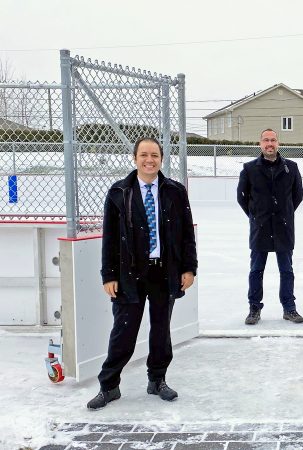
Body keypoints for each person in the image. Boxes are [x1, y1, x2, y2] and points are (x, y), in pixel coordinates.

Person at [87, 137, 197, 410]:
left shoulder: (175, 191)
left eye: (155, 155)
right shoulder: (119, 192)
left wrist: (189, 267)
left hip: (164, 272)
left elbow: (186, 235)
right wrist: (108, 274)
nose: (150, 160)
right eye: (144, 155)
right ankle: (109, 386)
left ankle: (157, 379)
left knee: (161, 331)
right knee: (123, 333)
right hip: (129, 275)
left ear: (161, 158)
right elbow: (110, 239)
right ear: (134, 158)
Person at [237, 129, 303, 325]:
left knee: (287, 270)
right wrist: (255, 216)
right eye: (266, 140)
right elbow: (242, 197)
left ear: (278, 143)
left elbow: (297, 196)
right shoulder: (250, 169)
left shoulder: (291, 167)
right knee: (256, 270)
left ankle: (289, 308)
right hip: (261, 228)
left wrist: (285, 213)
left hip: (284, 229)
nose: (269, 144)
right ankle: (254, 308)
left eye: (273, 140)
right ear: (260, 143)